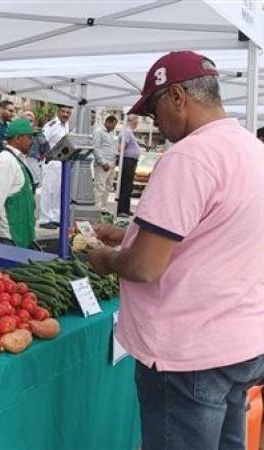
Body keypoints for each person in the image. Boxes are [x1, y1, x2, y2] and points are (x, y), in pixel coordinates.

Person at [87, 50, 264, 450]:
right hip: (241, 343)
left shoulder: (190, 155)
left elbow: (145, 267)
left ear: (178, 96)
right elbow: (218, 230)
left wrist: (105, 260)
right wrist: (131, 232)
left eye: (154, 110)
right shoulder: (252, 149)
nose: (155, 123)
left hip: (188, 355)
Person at [0, 118, 37, 247]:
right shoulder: (5, 161)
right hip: (8, 238)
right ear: (17, 138)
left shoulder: (17, 159)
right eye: (29, 137)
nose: (32, 142)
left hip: (20, 235)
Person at [39, 104, 73, 229]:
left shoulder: (67, 125)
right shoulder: (52, 124)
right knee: (49, 190)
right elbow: (42, 138)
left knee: (58, 191)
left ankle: (55, 217)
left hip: (62, 162)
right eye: (63, 111)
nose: (65, 114)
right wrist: (46, 153)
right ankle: (44, 218)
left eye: (68, 112)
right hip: (51, 162)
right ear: (58, 112)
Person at [92, 115, 118, 212]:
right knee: (100, 186)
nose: (114, 127)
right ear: (108, 122)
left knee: (108, 186)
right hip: (103, 165)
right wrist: (103, 162)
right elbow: (96, 148)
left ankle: (102, 207)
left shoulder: (110, 133)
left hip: (111, 164)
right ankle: (97, 207)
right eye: (113, 125)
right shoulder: (99, 132)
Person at [116, 114, 140, 217]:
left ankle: (125, 208)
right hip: (127, 160)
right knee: (125, 185)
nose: (137, 124)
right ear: (132, 121)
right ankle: (121, 209)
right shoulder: (127, 131)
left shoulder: (129, 131)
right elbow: (122, 147)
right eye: (136, 121)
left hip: (130, 160)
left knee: (128, 185)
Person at [22, 109, 49, 189]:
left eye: (30, 120)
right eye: (25, 120)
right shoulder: (16, 134)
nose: (28, 123)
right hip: (20, 163)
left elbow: (46, 150)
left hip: (33, 164)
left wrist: (44, 143)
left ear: (34, 122)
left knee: (33, 187)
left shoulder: (38, 134)